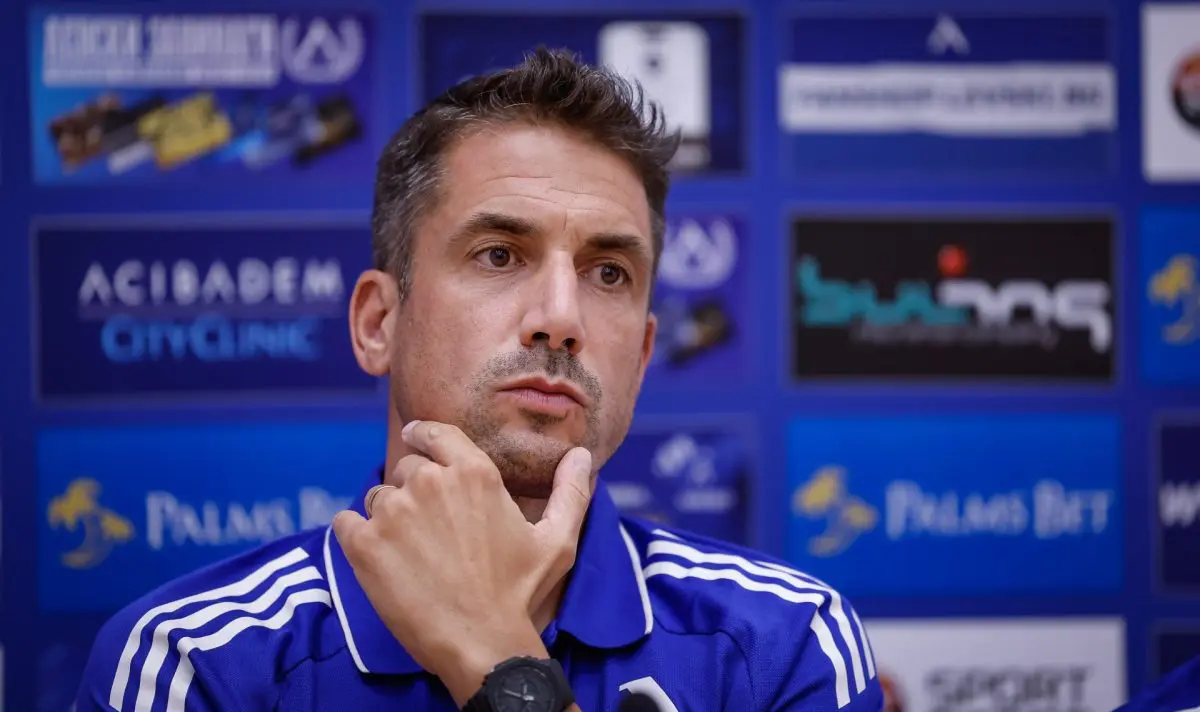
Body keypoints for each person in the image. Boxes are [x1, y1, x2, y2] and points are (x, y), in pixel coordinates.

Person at [75, 48, 884, 712]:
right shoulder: (194, 663)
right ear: (378, 323)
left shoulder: (784, 644)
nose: (560, 317)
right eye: (499, 255)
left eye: (608, 272)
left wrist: (496, 656)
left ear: (642, 357)